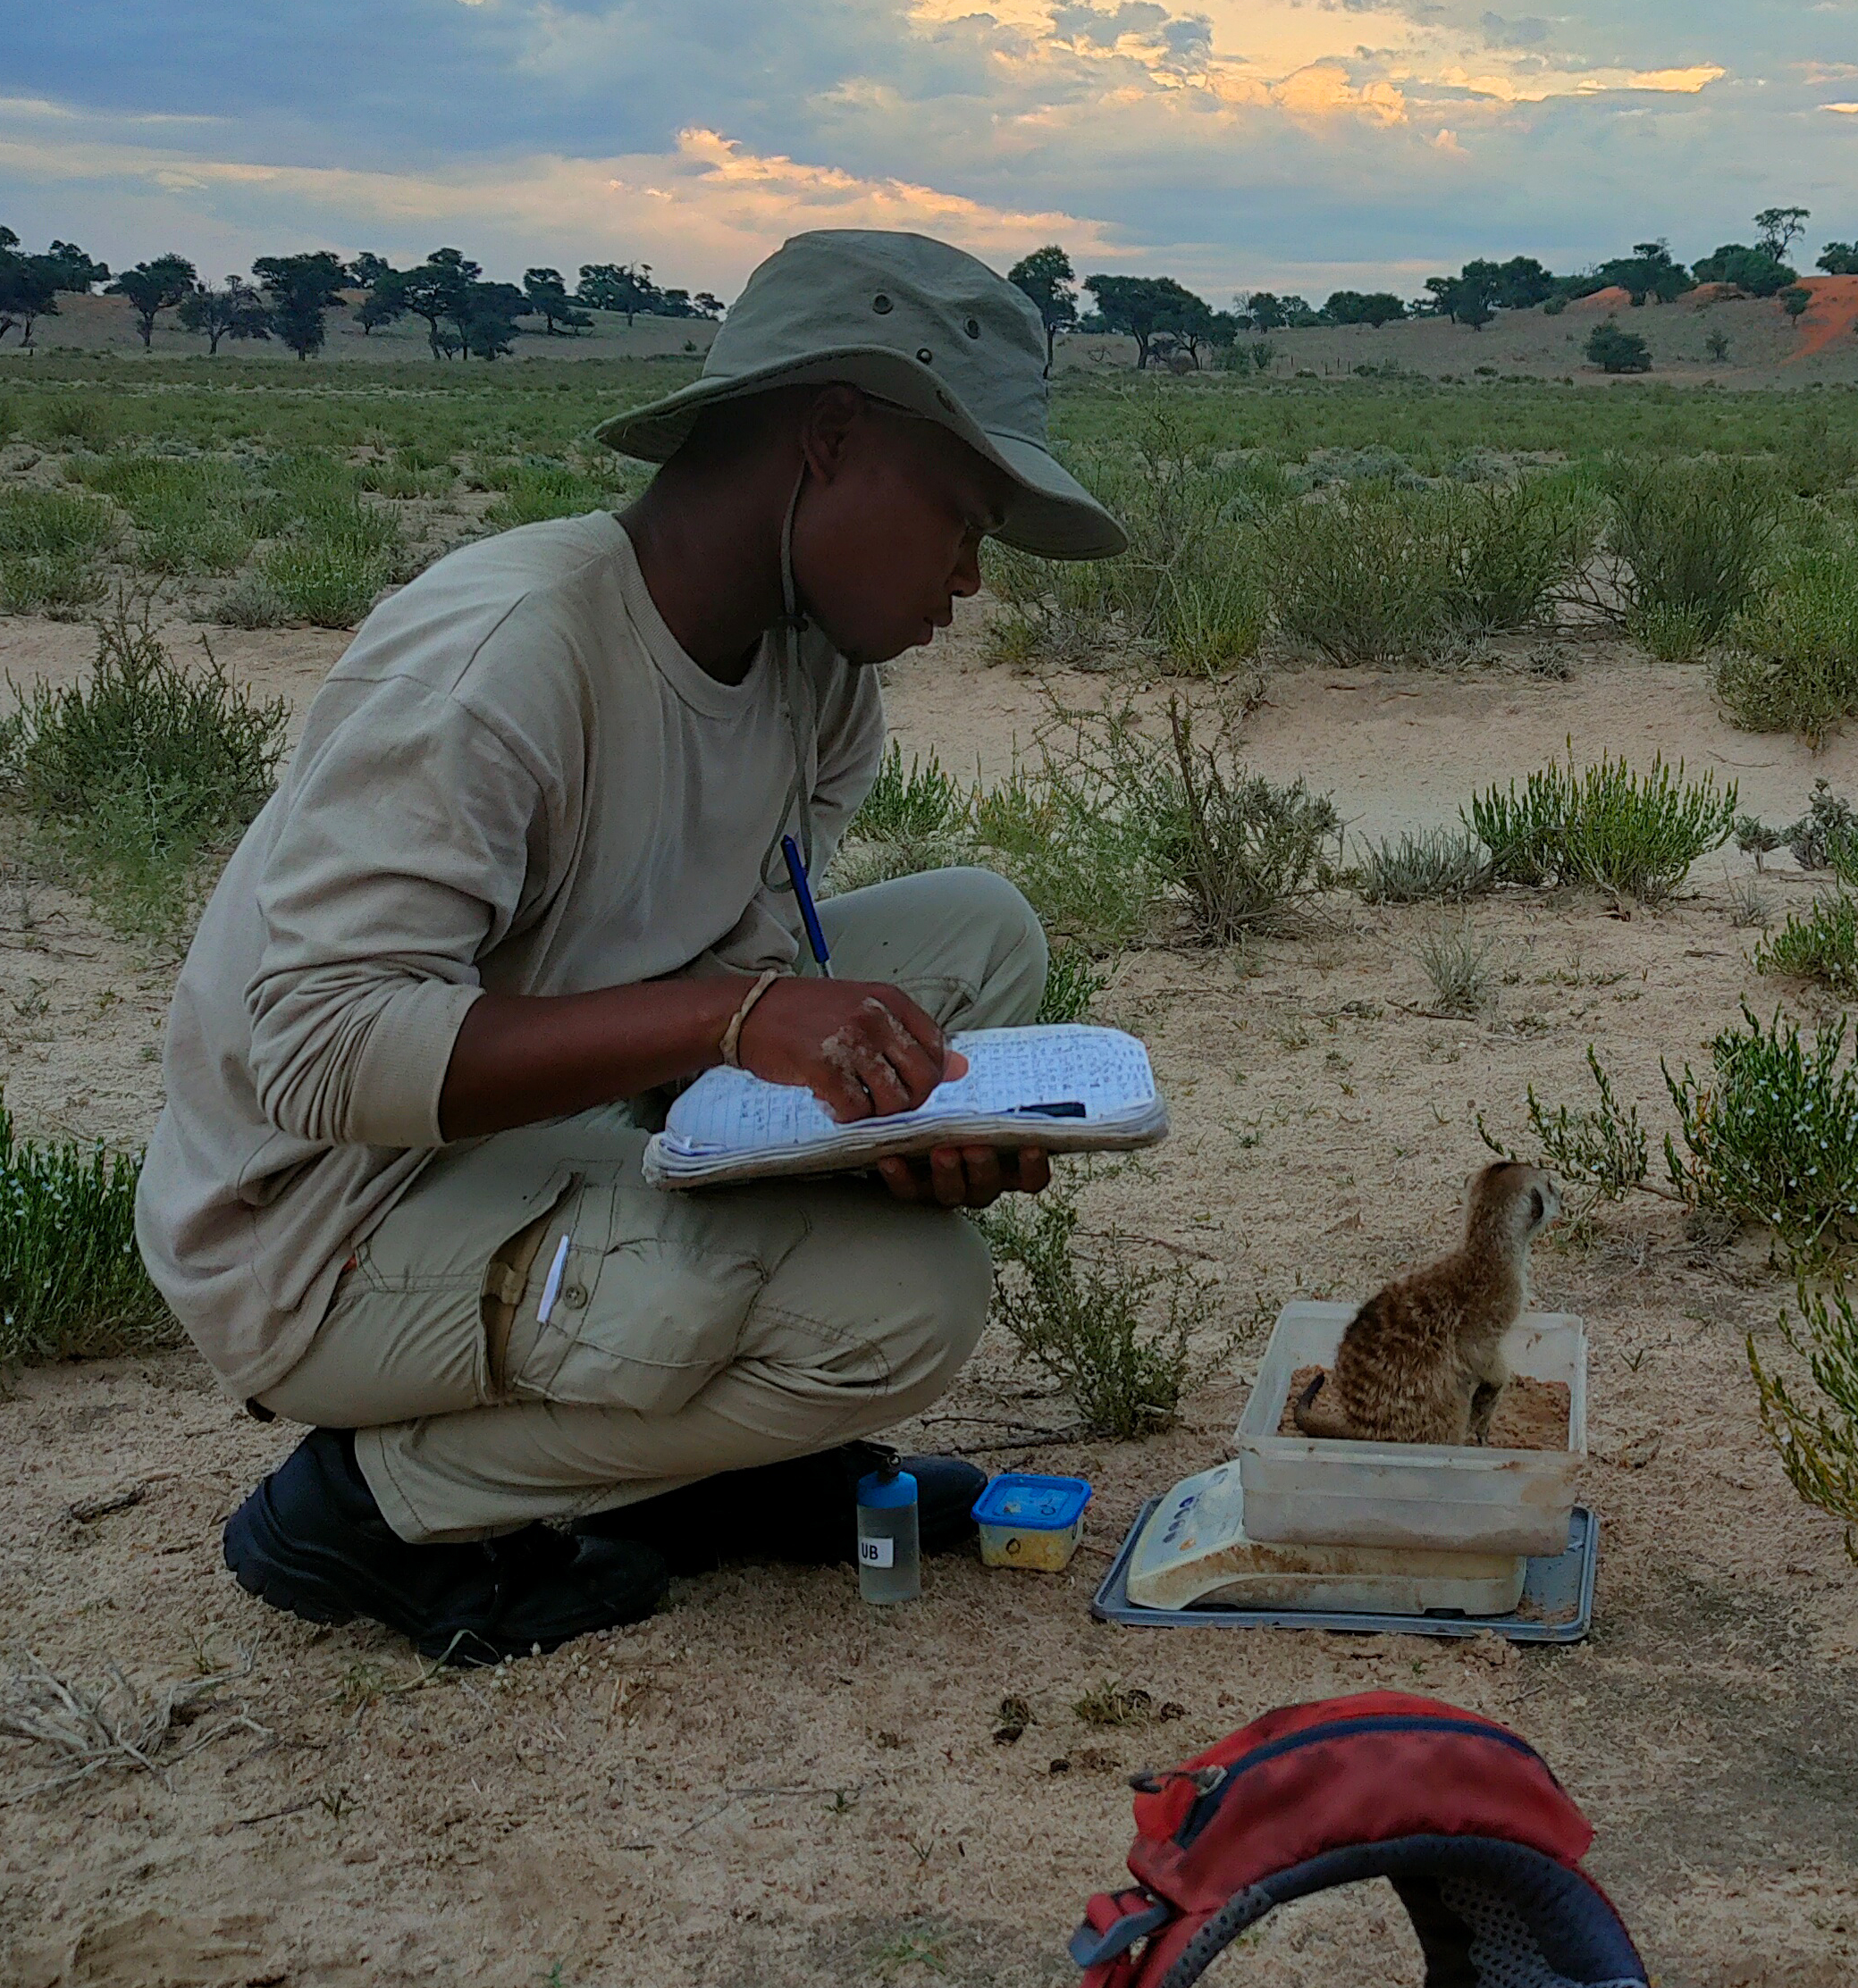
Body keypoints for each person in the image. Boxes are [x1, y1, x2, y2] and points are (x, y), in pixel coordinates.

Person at [137, 229, 1125, 1662]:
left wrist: (882, 1140)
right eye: (965, 514)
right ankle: (377, 1502)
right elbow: (322, 1052)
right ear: (832, 436)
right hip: (325, 1226)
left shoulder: (815, 678)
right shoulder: (504, 656)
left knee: (979, 932)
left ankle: (726, 1461)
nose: (972, 577)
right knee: (910, 1305)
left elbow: (728, 1005)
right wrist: (734, 1023)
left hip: (547, 1121)